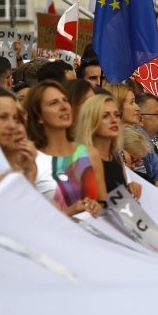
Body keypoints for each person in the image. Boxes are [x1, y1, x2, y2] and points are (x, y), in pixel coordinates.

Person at [24, 80, 105, 217]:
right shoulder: (31, 161)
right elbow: (30, 220)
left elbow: (105, 205)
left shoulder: (90, 153)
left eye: (65, 100)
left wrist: (98, 206)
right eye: (53, 103)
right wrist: (69, 212)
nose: (63, 107)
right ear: (39, 116)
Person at [75, 95, 142, 198]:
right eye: (105, 116)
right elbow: (101, 202)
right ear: (91, 121)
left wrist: (129, 189)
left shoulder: (116, 156)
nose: (114, 120)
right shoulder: (85, 157)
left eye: (117, 115)